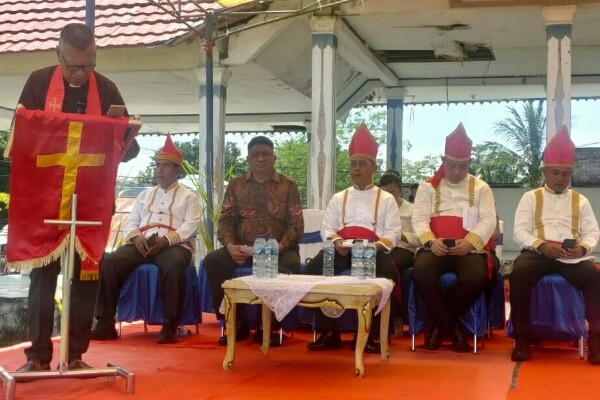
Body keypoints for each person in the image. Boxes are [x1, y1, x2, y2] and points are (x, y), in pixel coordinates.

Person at [15, 23, 140, 373]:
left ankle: (74, 355)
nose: (82, 74)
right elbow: (22, 135)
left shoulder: (107, 89)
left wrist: (124, 135)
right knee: (42, 279)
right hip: (46, 201)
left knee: (85, 280)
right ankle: (38, 356)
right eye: (73, 66)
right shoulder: (39, 83)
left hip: (90, 202)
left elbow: (127, 149)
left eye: (88, 65)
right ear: (58, 55)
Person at [91, 135, 201, 344]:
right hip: (143, 242)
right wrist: (136, 237)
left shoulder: (189, 197)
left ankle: (170, 324)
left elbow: (191, 226)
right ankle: (105, 323)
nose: (159, 170)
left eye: (165, 166)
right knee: (110, 262)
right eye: (158, 165)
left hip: (174, 244)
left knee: (174, 264)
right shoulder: (144, 195)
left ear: (177, 171)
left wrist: (167, 240)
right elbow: (131, 222)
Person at [305, 123, 403, 354]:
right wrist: (336, 241)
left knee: (387, 274)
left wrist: (376, 247)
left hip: (372, 252)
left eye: (362, 164)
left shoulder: (386, 198)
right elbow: (327, 227)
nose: (356, 168)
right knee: (313, 270)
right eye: (353, 164)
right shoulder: (339, 197)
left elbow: (393, 232)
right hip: (342, 250)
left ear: (373, 167)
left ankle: (369, 335)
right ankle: (329, 332)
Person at [510, 126, 600, 364]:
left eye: (565, 174)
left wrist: (583, 248)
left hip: (571, 255)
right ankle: (522, 340)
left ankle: (596, 344)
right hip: (538, 253)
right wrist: (541, 246)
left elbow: (592, 232)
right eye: (555, 173)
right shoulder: (530, 197)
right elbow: (520, 231)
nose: (560, 178)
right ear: (545, 172)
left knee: (594, 276)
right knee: (519, 274)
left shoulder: (581, 201)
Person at [203, 136, 304, 346]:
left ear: (274, 158)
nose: (261, 159)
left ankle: (269, 327)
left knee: (291, 264)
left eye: (266, 154)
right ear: (248, 158)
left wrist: (280, 247)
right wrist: (230, 246)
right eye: (255, 155)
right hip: (242, 249)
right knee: (213, 260)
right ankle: (235, 323)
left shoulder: (288, 186)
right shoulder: (236, 185)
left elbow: (296, 225)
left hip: (278, 250)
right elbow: (226, 220)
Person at [411, 123, 496, 353]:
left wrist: (470, 242)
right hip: (436, 246)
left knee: (476, 276)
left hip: (468, 248)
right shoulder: (427, 187)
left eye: (463, 166)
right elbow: (419, 219)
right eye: (452, 166)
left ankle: (440, 327)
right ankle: (454, 328)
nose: (457, 172)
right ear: (443, 160)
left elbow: (488, 220)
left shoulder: (481, 188)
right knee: (421, 271)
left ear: (469, 163)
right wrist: (431, 242)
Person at [379, 170, 420, 331]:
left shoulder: (412, 209)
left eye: (392, 193)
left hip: (404, 250)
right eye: (385, 193)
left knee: (389, 266)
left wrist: (401, 235)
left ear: (400, 190)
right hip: (383, 248)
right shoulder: (377, 209)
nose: (389, 197)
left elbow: (421, 238)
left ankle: (396, 317)